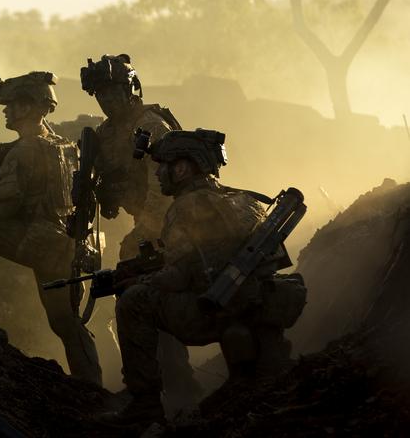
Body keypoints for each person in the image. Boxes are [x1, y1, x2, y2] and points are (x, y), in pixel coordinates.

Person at [100, 129, 306, 426]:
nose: (158, 173)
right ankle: (252, 375)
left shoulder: (185, 207)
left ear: (182, 168)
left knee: (133, 302)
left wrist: (139, 282)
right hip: (257, 302)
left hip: (215, 310)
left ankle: (144, 404)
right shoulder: (243, 199)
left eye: (163, 166)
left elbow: (180, 276)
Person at [0, 71, 102, 386]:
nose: (6, 110)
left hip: (37, 241)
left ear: (29, 107)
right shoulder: (63, 145)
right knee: (66, 323)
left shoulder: (23, 151)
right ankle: (92, 384)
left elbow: (4, 208)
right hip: (63, 245)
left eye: (12, 104)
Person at [80, 54, 200, 407]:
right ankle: (160, 385)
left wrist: (142, 232)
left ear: (130, 89)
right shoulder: (107, 132)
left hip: (174, 226)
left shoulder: (151, 125)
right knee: (142, 299)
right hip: (146, 226)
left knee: (148, 299)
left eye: (113, 91)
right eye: (100, 94)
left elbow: (162, 189)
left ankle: (174, 385)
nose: (106, 100)